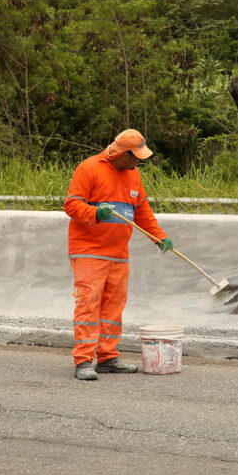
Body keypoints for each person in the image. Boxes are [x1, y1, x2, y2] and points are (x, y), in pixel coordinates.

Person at [64, 129, 174, 381]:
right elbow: (71, 205)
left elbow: (142, 211)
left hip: (118, 254)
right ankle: (83, 361)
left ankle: (107, 357)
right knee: (88, 305)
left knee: (113, 307)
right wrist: (95, 213)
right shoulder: (89, 168)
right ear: (123, 154)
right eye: (136, 157)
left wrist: (158, 236)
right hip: (89, 251)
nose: (139, 162)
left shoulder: (133, 176)